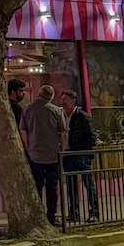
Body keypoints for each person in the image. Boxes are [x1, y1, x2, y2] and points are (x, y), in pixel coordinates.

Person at [19, 84, 68, 226]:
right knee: (52, 188)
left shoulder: (27, 110)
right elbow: (64, 133)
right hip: (53, 155)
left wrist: (29, 148)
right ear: (51, 97)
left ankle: (38, 216)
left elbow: (23, 131)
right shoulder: (56, 111)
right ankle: (51, 216)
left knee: (37, 186)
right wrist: (62, 150)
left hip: (35, 155)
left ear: (38, 94)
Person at [60, 90, 99, 223]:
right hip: (68, 155)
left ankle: (94, 212)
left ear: (73, 101)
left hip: (80, 155)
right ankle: (73, 213)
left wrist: (86, 154)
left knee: (88, 184)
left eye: (66, 101)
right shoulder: (62, 116)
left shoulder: (83, 117)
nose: (63, 104)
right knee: (71, 186)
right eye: (62, 101)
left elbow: (91, 137)